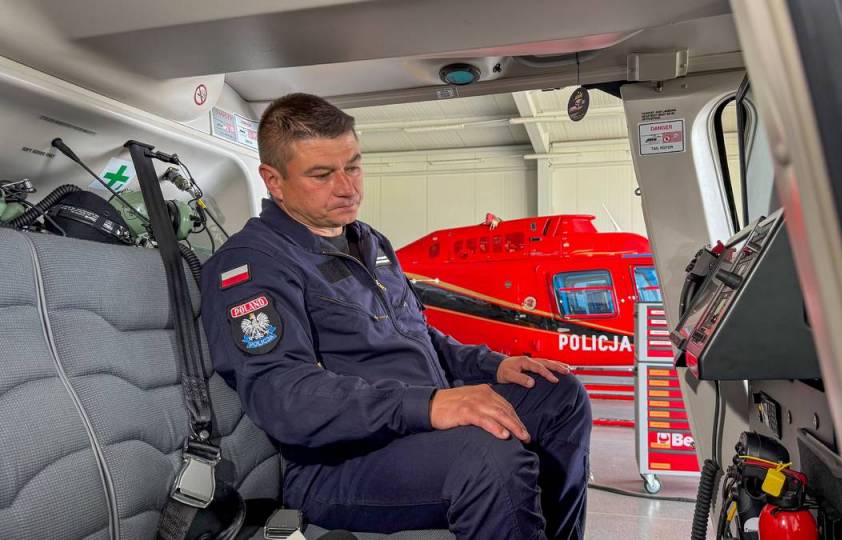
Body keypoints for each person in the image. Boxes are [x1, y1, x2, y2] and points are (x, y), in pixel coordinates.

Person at [200, 93, 591, 539]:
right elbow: (284, 396)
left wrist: (491, 365)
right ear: (274, 180)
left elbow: (415, 334)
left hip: (419, 423)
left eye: (353, 167)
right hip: (340, 463)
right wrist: (427, 405)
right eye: (322, 175)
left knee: (560, 395)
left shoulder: (369, 242)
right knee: (488, 457)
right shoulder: (254, 263)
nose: (347, 188)